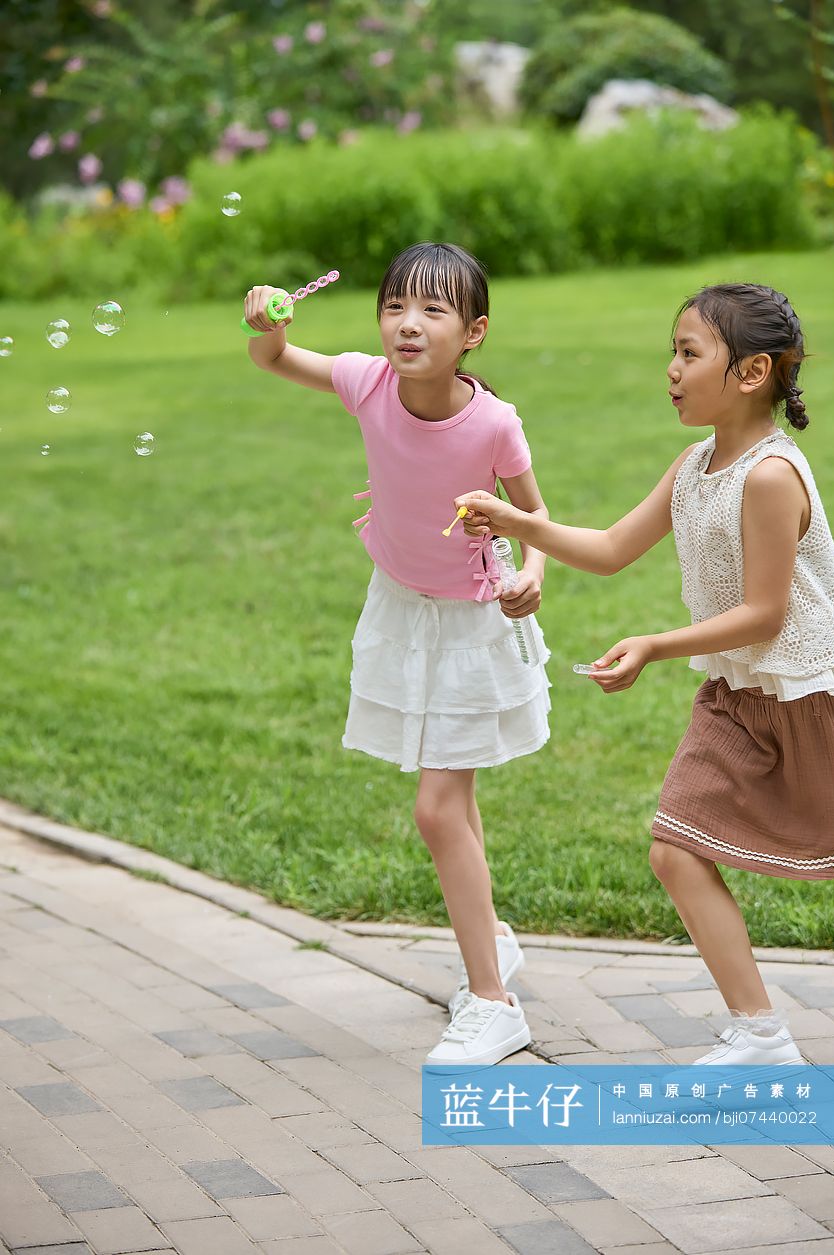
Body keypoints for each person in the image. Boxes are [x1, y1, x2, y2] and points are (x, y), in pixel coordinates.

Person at [456, 282, 834, 1067]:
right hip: (735, 697)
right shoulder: (695, 462)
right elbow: (607, 550)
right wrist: (519, 522)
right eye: (673, 350)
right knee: (674, 847)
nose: (670, 368)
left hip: (807, 698)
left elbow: (765, 613)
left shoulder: (768, 477)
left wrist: (654, 644)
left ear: (750, 371)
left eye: (688, 353)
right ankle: (761, 1032)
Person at [244, 242, 551, 1066]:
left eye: (431, 310)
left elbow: (536, 519)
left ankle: (493, 1001)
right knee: (456, 794)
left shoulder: (493, 421)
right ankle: (492, 942)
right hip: (400, 611)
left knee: (436, 807)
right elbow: (272, 357)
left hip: (471, 623)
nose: (406, 324)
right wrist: (262, 320)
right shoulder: (363, 380)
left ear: (473, 332)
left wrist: (534, 575)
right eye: (393, 306)